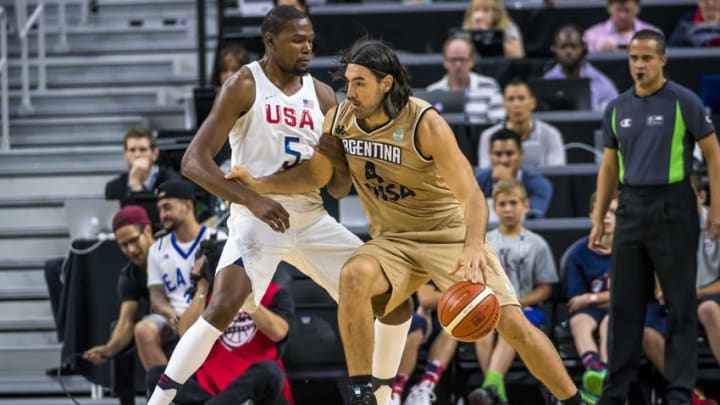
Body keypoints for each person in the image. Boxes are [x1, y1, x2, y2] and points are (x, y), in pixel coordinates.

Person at [228, 38, 588, 405]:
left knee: (514, 325)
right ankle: (361, 392)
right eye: (347, 82)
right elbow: (315, 177)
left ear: (386, 83)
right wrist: (258, 183)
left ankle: (573, 400)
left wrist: (474, 245)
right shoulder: (339, 118)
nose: (348, 92)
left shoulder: (424, 121)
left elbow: (472, 195)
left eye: (359, 82)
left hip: (446, 235)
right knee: (353, 276)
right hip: (392, 241)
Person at [145, 7, 410, 405]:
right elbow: (192, 162)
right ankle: (159, 402)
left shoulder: (321, 95)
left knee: (395, 301)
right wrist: (254, 199)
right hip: (256, 215)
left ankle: (384, 397)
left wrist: (337, 160)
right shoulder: (244, 84)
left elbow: (338, 189)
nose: (308, 48)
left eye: (311, 41)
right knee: (221, 307)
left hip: (310, 218)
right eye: (297, 40)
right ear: (270, 41)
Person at [589, 29, 720, 404]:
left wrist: (717, 210)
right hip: (631, 206)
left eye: (647, 58)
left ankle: (679, 392)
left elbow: (714, 154)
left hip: (674, 204)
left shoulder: (684, 101)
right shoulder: (616, 108)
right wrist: (599, 218)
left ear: (663, 60)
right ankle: (617, 392)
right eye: (633, 58)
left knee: (679, 305)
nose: (639, 65)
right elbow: (609, 167)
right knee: (625, 305)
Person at [147, 249, 295, 405]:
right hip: (212, 388)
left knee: (270, 371)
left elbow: (279, 332)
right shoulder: (211, 299)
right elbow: (184, 333)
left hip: (254, 383)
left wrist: (245, 296)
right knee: (157, 375)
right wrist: (202, 289)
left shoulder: (274, 292)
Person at [468, 179, 559, 405]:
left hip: (527, 308)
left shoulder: (537, 243)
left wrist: (516, 301)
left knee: (512, 323)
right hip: (490, 306)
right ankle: (493, 388)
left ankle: (489, 387)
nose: (508, 209)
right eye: (502, 204)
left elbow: (546, 288)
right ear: (494, 208)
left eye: (513, 203)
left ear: (525, 206)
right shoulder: (483, 241)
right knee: (482, 329)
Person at [135, 179, 222, 371]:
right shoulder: (157, 248)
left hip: (208, 311)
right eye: (160, 209)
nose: (162, 215)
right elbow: (156, 294)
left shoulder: (217, 240)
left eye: (167, 207)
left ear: (188, 206)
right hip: (173, 317)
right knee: (143, 330)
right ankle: (168, 391)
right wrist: (167, 312)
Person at [81, 205, 156, 405]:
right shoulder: (129, 274)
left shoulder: (171, 252)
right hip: (156, 325)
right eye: (123, 245)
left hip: (185, 317)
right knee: (121, 329)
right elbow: (125, 322)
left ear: (148, 231)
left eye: (133, 240)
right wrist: (108, 349)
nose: (130, 250)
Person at [564, 193, 616, 399]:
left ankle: (603, 372)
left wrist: (592, 298)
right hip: (590, 311)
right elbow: (576, 300)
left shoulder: (630, 250)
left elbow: (630, 294)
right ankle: (593, 367)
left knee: (609, 323)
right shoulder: (578, 252)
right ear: (591, 216)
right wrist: (596, 300)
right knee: (578, 322)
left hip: (618, 310)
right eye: (601, 211)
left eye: (612, 211)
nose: (606, 217)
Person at [390, 283, 456, 405]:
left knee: (455, 329)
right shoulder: (438, 264)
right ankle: (394, 391)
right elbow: (426, 298)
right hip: (408, 311)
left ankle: (424, 387)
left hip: (444, 316)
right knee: (417, 327)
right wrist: (463, 298)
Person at [478, 80, 565, 169]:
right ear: (504, 104)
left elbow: (557, 172)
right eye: (511, 99)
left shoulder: (551, 134)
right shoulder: (488, 136)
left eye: (521, 98)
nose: (516, 104)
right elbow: (485, 173)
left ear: (532, 103)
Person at [105, 127, 182, 225]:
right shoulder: (113, 187)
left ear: (155, 154)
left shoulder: (171, 181)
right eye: (132, 150)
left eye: (143, 149)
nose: (137, 155)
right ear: (125, 155)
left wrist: (136, 185)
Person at [475, 129, 554, 220]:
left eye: (509, 154)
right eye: (498, 154)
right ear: (490, 155)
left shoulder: (540, 184)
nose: (503, 160)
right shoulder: (476, 182)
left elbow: (531, 218)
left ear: (521, 153)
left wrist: (507, 182)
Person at [426, 36, 504, 125]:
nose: (458, 65)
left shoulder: (490, 86)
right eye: (453, 60)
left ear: (472, 60)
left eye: (462, 59)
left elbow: (499, 123)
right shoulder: (433, 91)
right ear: (445, 61)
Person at [544, 25, 619, 112]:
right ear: (554, 50)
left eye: (573, 46)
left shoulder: (603, 84)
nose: (568, 51)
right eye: (563, 47)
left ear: (584, 49)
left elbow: (615, 114)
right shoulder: (546, 81)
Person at [582, 0, 661, 53]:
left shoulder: (653, 35)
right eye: (618, 10)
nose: (622, 16)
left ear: (638, 8)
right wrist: (600, 55)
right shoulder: (591, 35)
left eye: (627, 10)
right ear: (609, 7)